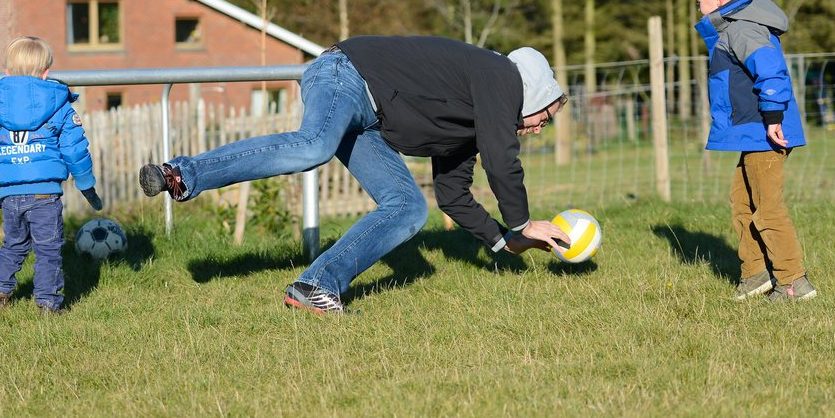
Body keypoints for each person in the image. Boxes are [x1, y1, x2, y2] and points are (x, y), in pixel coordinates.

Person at [138, 35, 571, 314]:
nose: (537, 128)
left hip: (370, 118)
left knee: (408, 208)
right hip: (345, 73)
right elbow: (502, 160)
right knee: (314, 145)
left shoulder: (476, 120)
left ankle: (316, 286)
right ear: (532, 92)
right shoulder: (500, 75)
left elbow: (453, 195)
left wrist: (503, 240)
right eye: (544, 118)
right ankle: (183, 172)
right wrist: (523, 221)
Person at [691, 0, 816, 302]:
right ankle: (755, 274)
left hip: (766, 132)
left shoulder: (744, 30)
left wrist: (774, 118)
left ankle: (793, 282)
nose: (697, 6)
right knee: (741, 202)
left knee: (766, 208)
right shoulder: (734, 28)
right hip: (754, 133)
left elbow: (772, 74)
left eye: (699, 0)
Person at [0, 36, 102, 314]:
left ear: (7, 72)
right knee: (48, 250)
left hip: (10, 194)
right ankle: (47, 304)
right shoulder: (59, 104)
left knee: (14, 244)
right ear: (46, 72)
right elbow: (74, 148)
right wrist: (86, 184)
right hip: (44, 194)